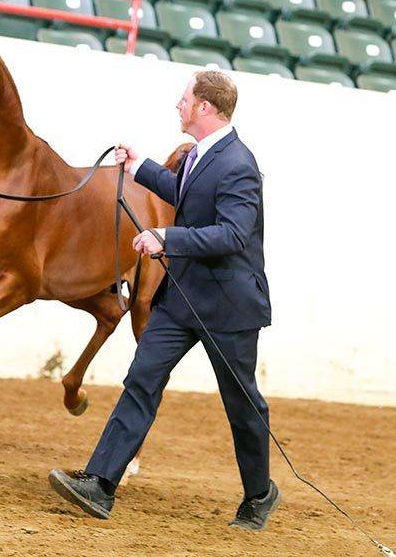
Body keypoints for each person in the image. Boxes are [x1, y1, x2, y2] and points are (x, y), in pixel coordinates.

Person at [48, 70, 279, 531]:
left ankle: (259, 494)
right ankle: (100, 483)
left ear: (205, 108)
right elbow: (187, 195)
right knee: (142, 379)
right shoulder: (200, 155)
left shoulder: (239, 164)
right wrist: (140, 168)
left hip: (229, 306)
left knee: (241, 405)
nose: (179, 105)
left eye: (185, 99)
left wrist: (166, 238)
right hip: (182, 298)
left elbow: (232, 234)